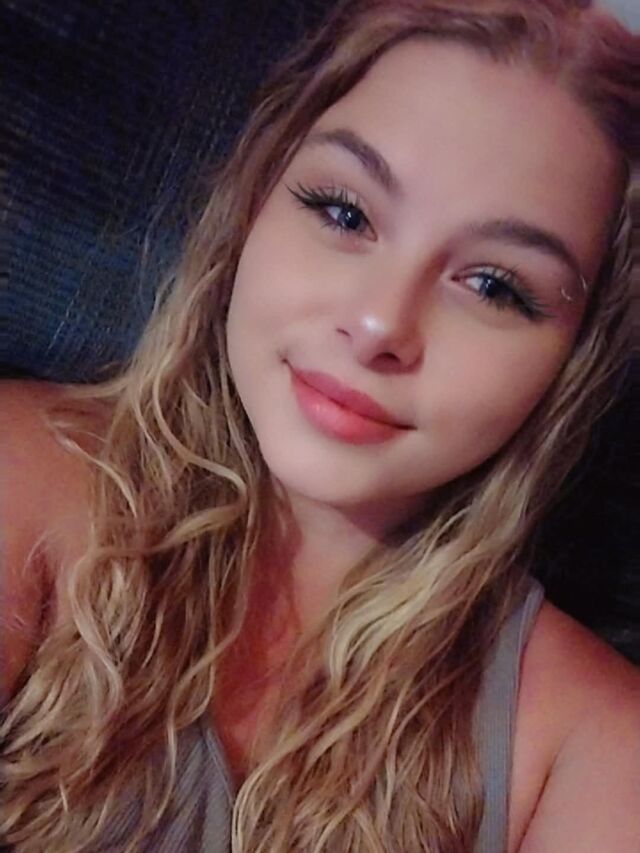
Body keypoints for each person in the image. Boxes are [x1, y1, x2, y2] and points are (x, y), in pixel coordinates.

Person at [1, 0, 639, 850]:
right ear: (254, 199)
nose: (379, 324)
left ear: (576, 358)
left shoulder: (593, 747)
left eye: (494, 286)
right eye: (344, 212)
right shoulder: (24, 482)